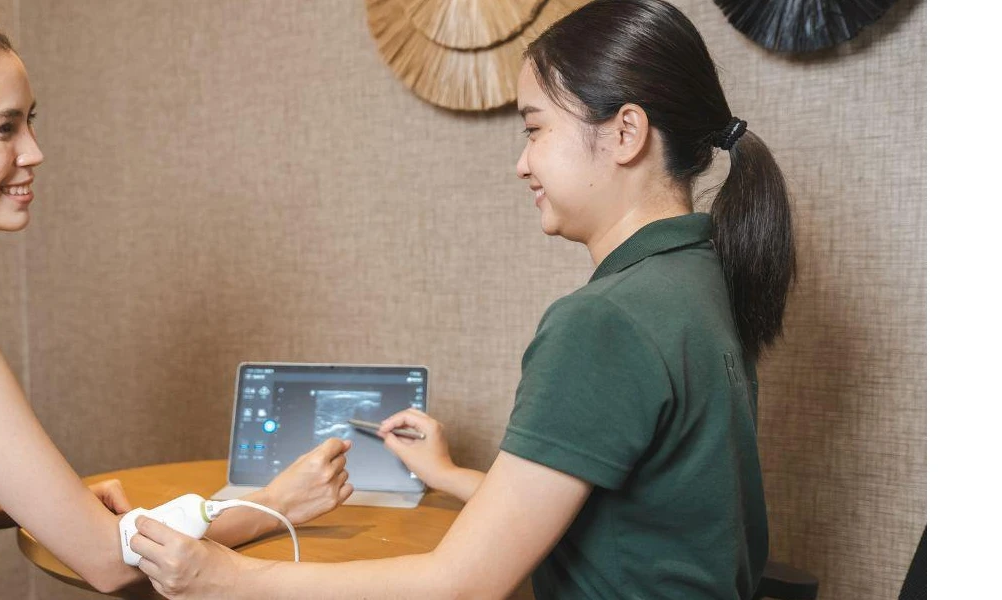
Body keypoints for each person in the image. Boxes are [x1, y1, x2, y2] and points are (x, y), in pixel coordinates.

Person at [130, 0, 795, 598]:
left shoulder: (606, 321)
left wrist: (229, 577)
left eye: (535, 130)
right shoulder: (699, 277)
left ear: (626, 133)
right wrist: (448, 475)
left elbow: (461, 584)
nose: (522, 163)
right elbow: (626, 517)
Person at [0, 5, 354, 599]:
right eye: (4, 128)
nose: (34, 152)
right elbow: (109, 564)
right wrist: (277, 503)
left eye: (31, 122)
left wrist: (46, 506)